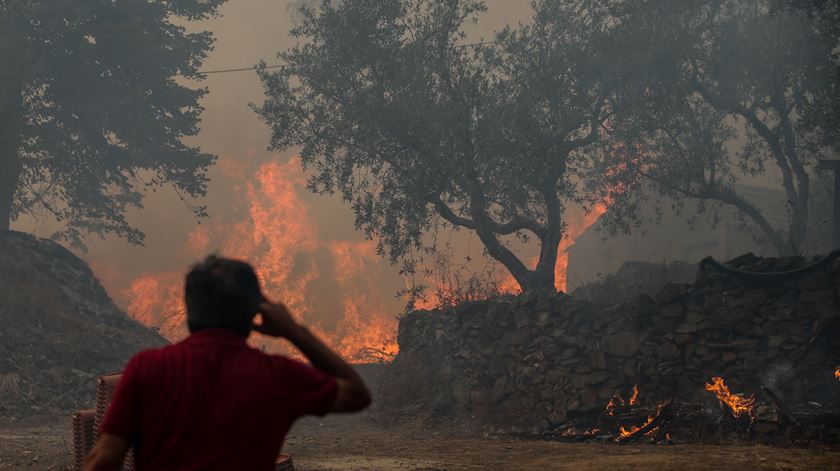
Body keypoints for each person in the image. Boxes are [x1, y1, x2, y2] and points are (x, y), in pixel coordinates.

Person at [83, 256, 371, 471]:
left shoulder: (147, 368)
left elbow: (105, 459)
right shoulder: (278, 376)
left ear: (190, 308)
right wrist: (293, 330)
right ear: (254, 312)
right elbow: (357, 394)